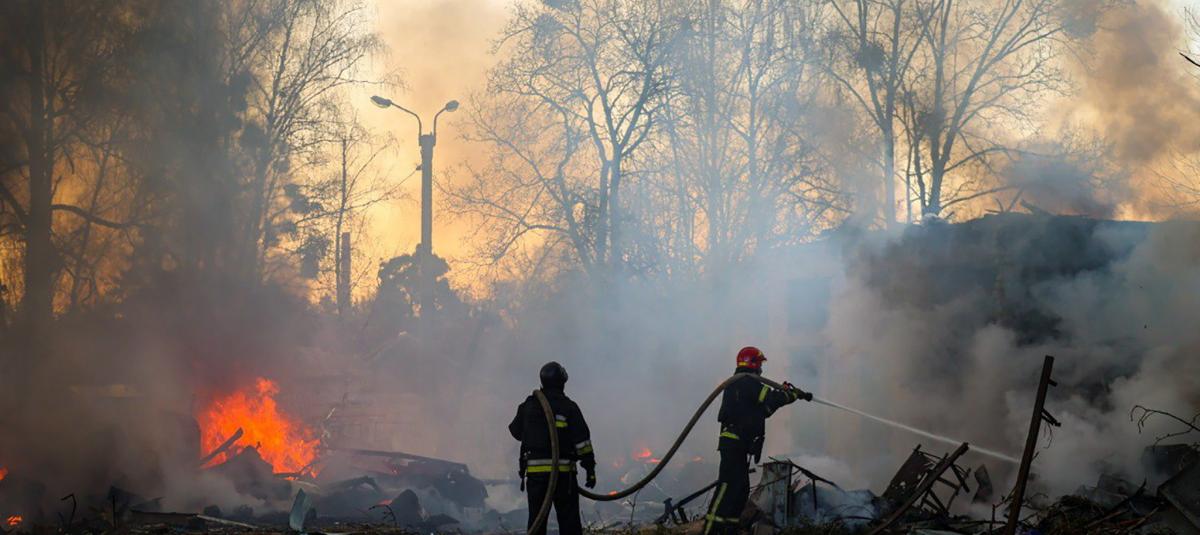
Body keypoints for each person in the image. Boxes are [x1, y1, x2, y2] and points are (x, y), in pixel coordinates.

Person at [704, 346, 812, 535]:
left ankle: (729, 527)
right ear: (752, 363)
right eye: (760, 363)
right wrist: (790, 394)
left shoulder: (746, 385)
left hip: (740, 444)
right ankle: (711, 529)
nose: (761, 368)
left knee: (740, 488)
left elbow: (765, 409)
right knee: (728, 486)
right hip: (734, 442)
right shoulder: (746, 382)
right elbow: (770, 396)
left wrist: (789, 396)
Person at [509, 362, 596, 535]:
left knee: (537, 521)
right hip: (563, 476)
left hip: (536, 476)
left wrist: (534, 432)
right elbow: (583, 443)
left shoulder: (529, 405)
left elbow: (516, 431)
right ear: (563, 382)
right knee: (569, 522)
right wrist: (590, 470)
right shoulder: (569, 407)